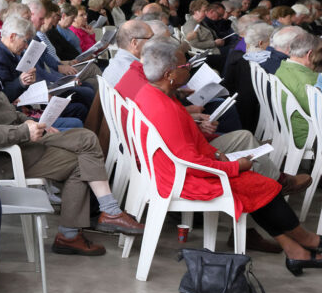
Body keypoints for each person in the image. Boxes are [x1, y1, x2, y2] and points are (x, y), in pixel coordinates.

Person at [0, 37, 144, 256]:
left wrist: (27, 123)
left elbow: (2, 108)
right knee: (80, 159)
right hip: (4, 157)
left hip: (20, 136)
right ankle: (77, 230)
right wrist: (24, 130)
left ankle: (99, 216)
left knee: (86, 140)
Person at [134, 39, 322, 274]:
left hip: (176, 169)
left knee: (258, 184)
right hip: (181, 178)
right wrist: (234, 167)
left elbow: (187, 146)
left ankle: (296, 251)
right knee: (260, 184)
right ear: (169, 73)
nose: (190, 68)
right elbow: (190, 161)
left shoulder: (153, 93)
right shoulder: (163, 106)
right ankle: (308, 242)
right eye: (185, 67)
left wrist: (217, 154)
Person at [275, 28, 320, 150]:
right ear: (310, 54)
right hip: (307, 134)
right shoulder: (308, 81)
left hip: (291, 128)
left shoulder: (284, 67)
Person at [102, 20, 153, 87]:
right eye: (151, 38)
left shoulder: (114, 64)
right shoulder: (133, 74)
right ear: (135, 43)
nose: (155, 42)